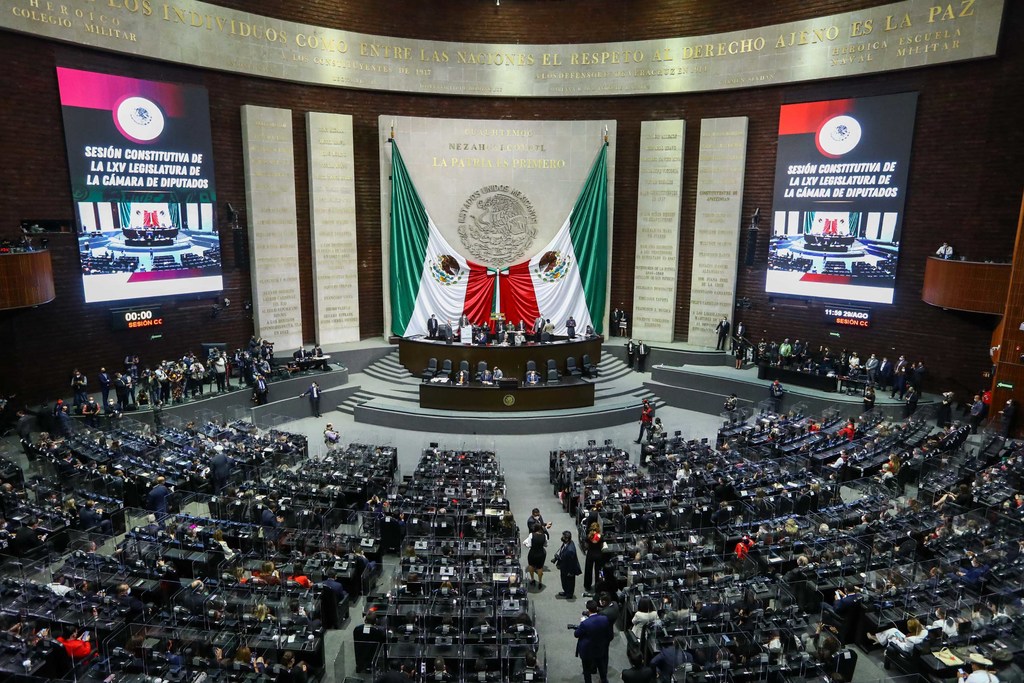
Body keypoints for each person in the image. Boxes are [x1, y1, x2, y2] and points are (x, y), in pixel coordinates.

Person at [575, 599, 612, 683]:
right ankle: (604, 681)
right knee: (601, 667)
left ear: (588, 610)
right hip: (599, 647)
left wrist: (582, 623)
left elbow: (576, 634)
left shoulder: (585, 623)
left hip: (587, 651)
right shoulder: (605, 619)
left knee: (587, 670)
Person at [553, 529, 582, 599]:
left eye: (563, 537)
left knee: (569, 582)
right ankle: (566, 591)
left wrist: (571, 572)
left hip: (569, 569)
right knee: (564, 581)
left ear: (566, 539)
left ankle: (569, 594)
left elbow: (572, 562)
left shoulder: (570, 550)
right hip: (564, 566)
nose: (562, 538)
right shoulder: (567, 543)